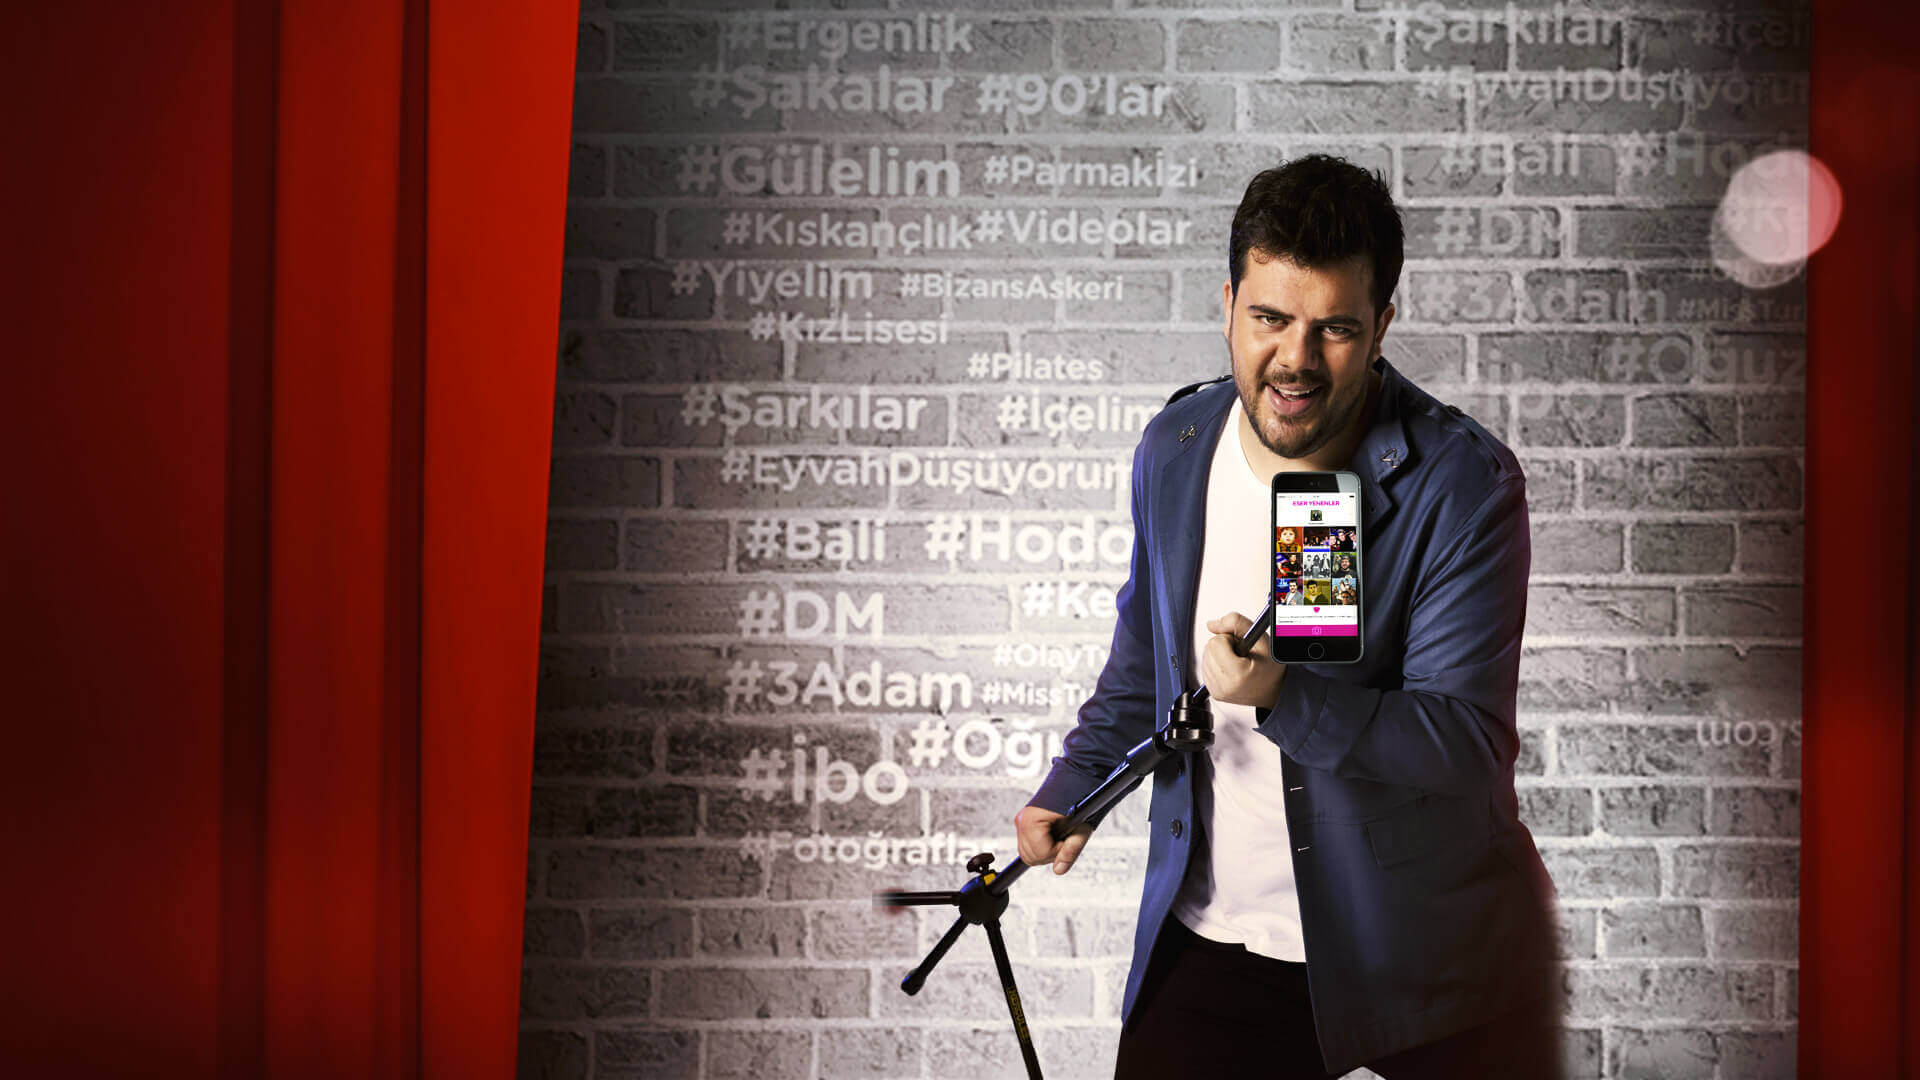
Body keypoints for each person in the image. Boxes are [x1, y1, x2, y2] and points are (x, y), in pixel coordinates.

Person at [1013, 154, 1563, 1079]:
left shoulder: (1463, 483)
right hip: (1222, 934)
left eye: (1334, 328)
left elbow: (1465, 745)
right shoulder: (1179, 446)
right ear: (1229, 303)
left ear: (1381, 327)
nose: (1296, 360)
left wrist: (1282, 694)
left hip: (1426, 946)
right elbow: (1147, 662)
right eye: (1270, 318)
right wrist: (1074, 786)